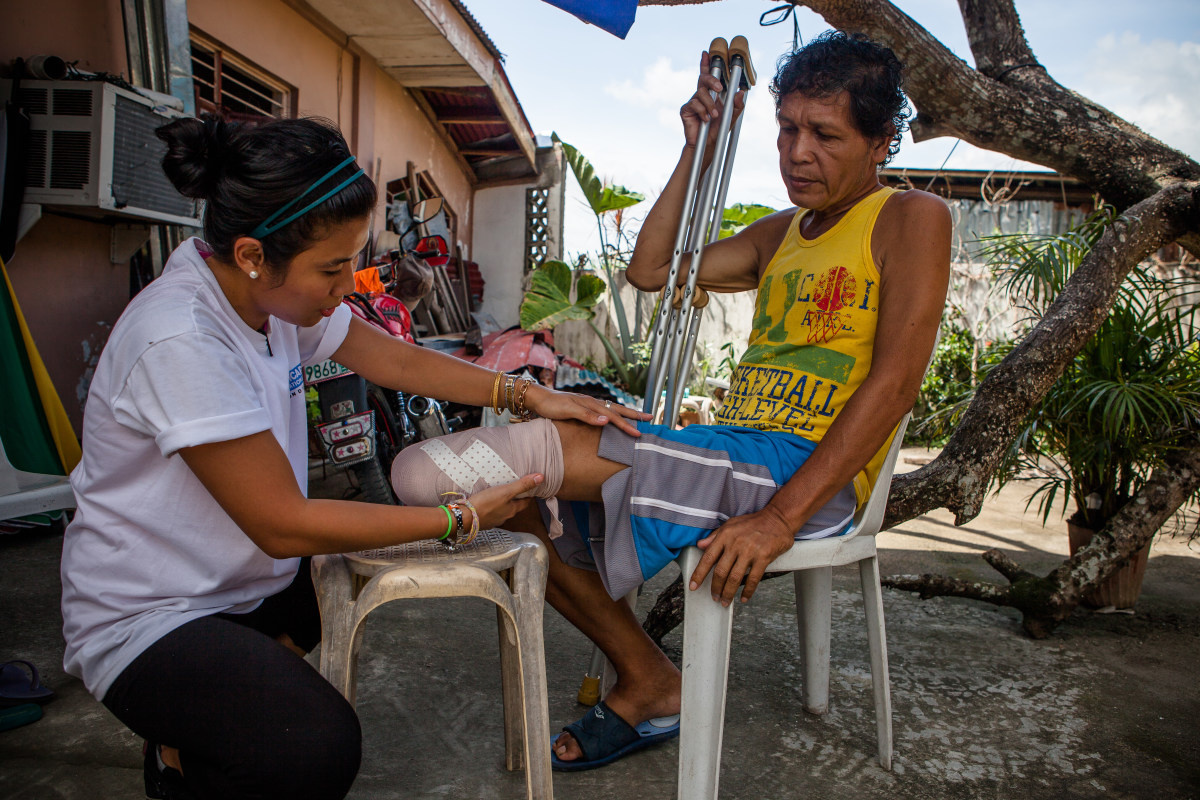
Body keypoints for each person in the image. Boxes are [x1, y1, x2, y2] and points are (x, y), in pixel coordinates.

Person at [390, 30, 951, 771]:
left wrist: (780, 520)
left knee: (446, 475)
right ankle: (652, 681)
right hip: (734, 448)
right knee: (517, 501)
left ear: (882, 142)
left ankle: (652, 679)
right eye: (787, 129)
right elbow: (652, 270)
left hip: (809, 473)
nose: (797, 152)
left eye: (826, 134)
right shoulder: (783, 233)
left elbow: (895, 383)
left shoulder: (910, 217)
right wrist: (700, 147)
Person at [59, 115, 645, 800]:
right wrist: (458, 518)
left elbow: (390, 356)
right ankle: (182, 758)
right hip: (152, 617)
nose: (349, 285)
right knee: (313, 749)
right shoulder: (182, 339)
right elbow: (284, 523)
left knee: (372, 555)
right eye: (333, 268)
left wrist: (524, 394)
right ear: (253, 254)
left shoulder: (268, 299)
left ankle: (214, 718)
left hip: (247, 580)